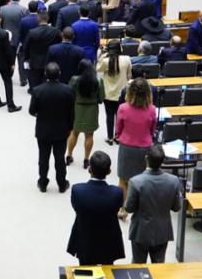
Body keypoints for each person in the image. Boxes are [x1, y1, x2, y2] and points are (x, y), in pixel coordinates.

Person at [124, 145, 181, 279]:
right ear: (163, 161)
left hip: (141, 231)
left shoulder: (136, 181)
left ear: (146, 159)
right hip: (162, 231)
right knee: (158, 266)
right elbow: (176, 207)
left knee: (137, 265)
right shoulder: (173, 181)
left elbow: (129, 208)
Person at [66, 151, 124, 279]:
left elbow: (77, 209)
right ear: (109, 171)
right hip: (109, 240)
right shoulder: (117, 193)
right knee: (108, 272)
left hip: (85, 240)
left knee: (87, 275)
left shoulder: (78, 191)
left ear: (89, 169)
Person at [114, 78, 157, 219]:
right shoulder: (152, 109)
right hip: (144, 148)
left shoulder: (123, 108)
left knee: (123, 180)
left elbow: (118, 129)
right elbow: (152, 130)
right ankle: (139, 210)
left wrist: (122, 136)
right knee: (142, 181)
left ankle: (123, 210)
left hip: (127, 147)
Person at [29, 63, 76, 192]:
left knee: (43, 158)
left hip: (43, 130)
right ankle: (61, 184)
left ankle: (43, 183)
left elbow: (32, 111)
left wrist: (42, 114)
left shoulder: (38, 90)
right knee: (60, 158)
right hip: (62, 130)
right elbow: (72, 113)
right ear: (59, 74)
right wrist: (70, 127)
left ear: (45, 74)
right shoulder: (68, 90)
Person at [65, 59, 104, 168]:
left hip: (77, 109)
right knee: (89, 135)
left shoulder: (74, 79)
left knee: (74, 133)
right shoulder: (98, 81)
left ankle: (69, 155)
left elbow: (69, 94)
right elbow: (101, 98)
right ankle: (86, 159)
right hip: (91, 110)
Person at [97, 40, 132, 144]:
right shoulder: (126, 59)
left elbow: (97, 68)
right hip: (122, 93)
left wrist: (103, 55)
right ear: (120, 48)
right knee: (120, 115)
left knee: (109, 116)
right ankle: (118, 136)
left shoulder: (106, 61)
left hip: (108, 93)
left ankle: (110, 137)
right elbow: (129, 75)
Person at [23, 11, 61, 92]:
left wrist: (27, 58)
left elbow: (26, 47)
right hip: (50, 62)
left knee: (35, 86)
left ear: (38, 19)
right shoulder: (55, 31)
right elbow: (59, 44)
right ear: (48, 19)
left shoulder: (32, 32)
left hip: (35, 62)